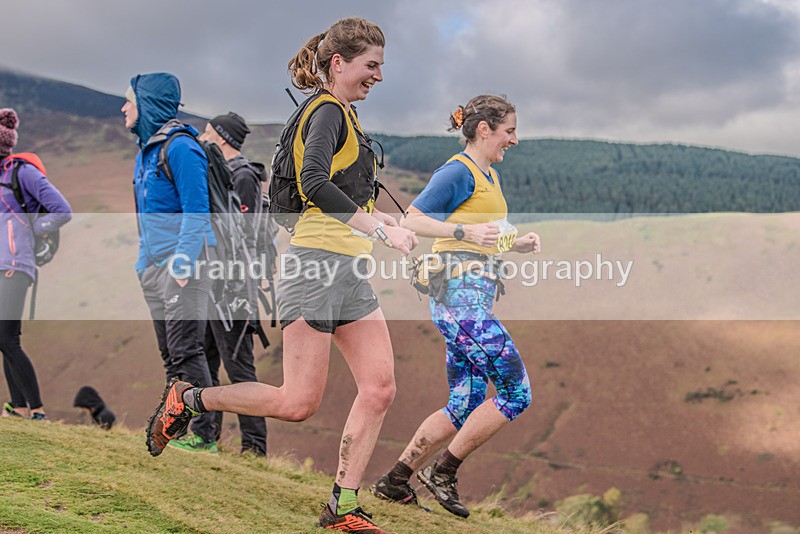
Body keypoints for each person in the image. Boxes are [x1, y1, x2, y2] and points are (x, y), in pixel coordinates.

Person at [145, 17, 417, 533]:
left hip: (348, 272)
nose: (379, 76)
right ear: (339, 63)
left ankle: (343, 507)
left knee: (380, 387)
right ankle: (189, 397)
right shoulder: (327, 111)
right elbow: (313, 182)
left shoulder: (345, 116)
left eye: (381, 66)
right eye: (371, 65)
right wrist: (381, 233)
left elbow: (338, 198)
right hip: (314, 268)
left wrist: (384, 222)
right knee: (297, 403)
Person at [371, 95, 539, 518]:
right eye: (509, 131)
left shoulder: (489, 176)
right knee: (517, 393)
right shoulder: (456, 172)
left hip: (470, 296)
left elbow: (482, 235)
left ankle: (394, 481)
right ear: (484, 129)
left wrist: (514, 243)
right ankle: (443, 471)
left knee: (465, 403)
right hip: (460, 301)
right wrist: (463, 230)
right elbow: (412, 219)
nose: (514, 140)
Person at [123, 73, 219, 453]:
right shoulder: (146, 152)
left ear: (147, 104)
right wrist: (143, 265)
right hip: (153, 268)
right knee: (170, 353)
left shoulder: (181, 148)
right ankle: (175, 429)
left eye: (129, 100)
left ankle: (205, 435)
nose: (123, 108)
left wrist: (181, 263)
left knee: (187, 351)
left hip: (184, 267)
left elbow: (198, 210)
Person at [198, 112, 268, 456]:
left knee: (240, 368)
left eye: (207, 131)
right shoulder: (223, 174)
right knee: (207, 357)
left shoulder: (242, 177)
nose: (201, 136)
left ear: (222, 138)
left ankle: (255, 449)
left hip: (235, 287)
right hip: (215, 283)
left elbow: (246, 235)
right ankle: (205, 436)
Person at [0, 108, 72, 421]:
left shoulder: (22, 172)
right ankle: (17, 407)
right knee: (4, 339)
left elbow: (62, 210)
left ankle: (37, 410)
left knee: (6, 339)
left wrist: (33, 229)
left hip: (16, 265)